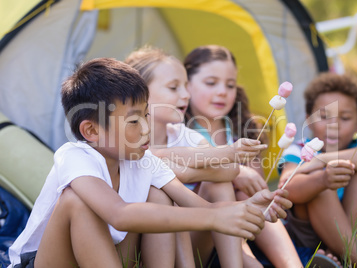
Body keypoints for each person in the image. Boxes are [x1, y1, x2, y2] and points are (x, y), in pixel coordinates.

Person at [7, 58, 292, 268]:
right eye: (133, 121)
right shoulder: (75, 157)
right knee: (77, 201)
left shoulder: (144, 160)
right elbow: (119, 215)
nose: (145, 129)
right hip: (48, 262)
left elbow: (202, 209)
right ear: (91, 131)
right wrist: (217, 215)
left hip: (111, 256)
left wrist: (248, 210)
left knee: (159, 195)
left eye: (146, 116)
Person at [125, 46, 283, 268]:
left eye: (186, 87)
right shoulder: (124, 139)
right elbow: (152, 163)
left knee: (217, 184)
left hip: (190, 241)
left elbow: (228, 170)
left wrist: (185, 167)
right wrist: (202, 161)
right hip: (138, 250)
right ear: (141, 93)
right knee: (164, 195)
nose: (186, 95)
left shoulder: (182, 135)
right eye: (174, 87)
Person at [183, 44, 303, 267]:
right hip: (197, 235)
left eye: (230, 85)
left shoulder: (242, 132)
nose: (222, 91)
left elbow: (255, 189)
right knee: (224, 186)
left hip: (247, 230)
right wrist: (236, 172)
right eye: (211, 83)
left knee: (241, 195)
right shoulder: (180, 132)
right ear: (187, 85)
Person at [278, 72, 357, 267]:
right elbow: (286, 185)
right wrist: (322, 179)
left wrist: (321, 158)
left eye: (345, 118)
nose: (334, 125)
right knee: (318, 183)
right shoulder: (298, 149)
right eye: (324, 116)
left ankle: (338, 254)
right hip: (310, 240)